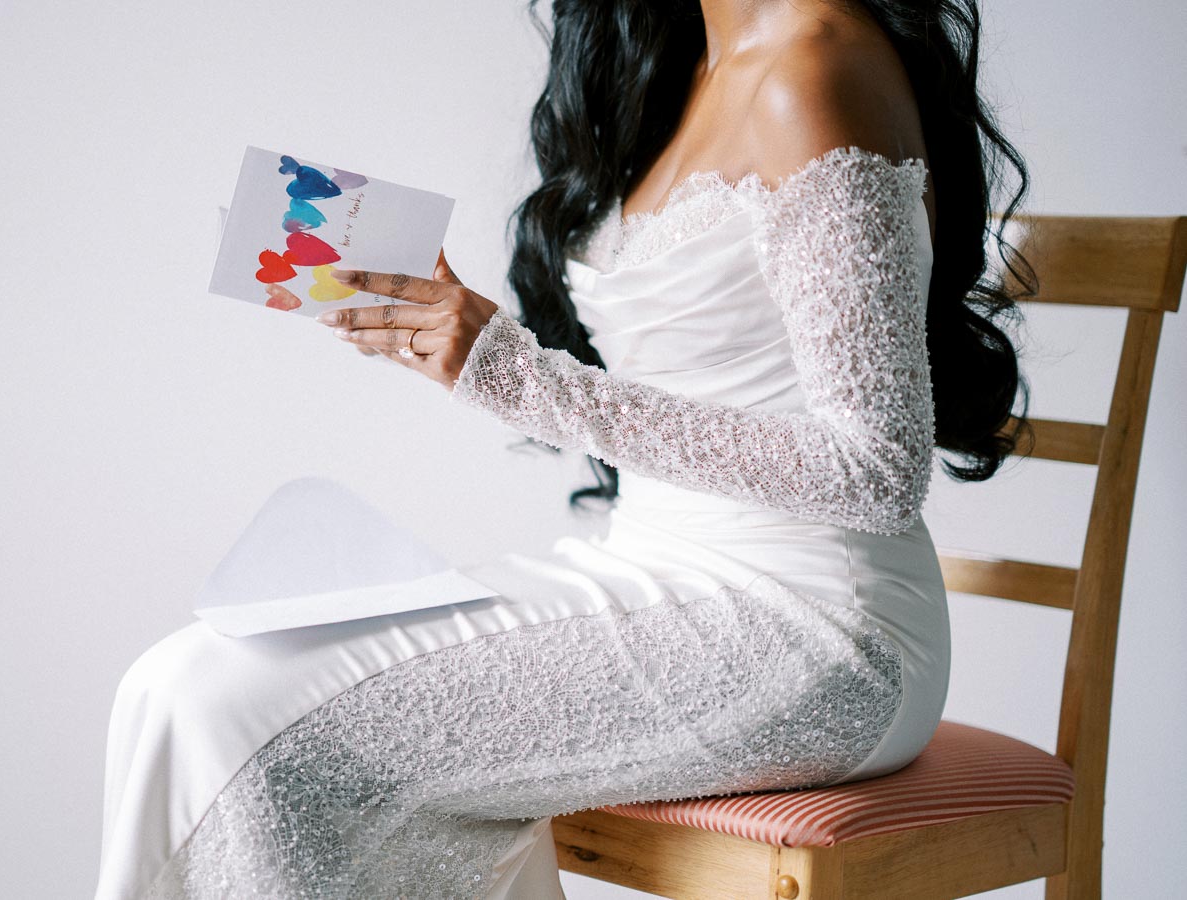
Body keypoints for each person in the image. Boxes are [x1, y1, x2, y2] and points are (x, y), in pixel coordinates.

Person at [96, 0, 1033, 896]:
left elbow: (871, 473)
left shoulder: (816, 65)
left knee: (227, 708)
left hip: (819, 628)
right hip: (653, 570)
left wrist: (521, 379)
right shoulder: (675, 68)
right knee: (177, 683)